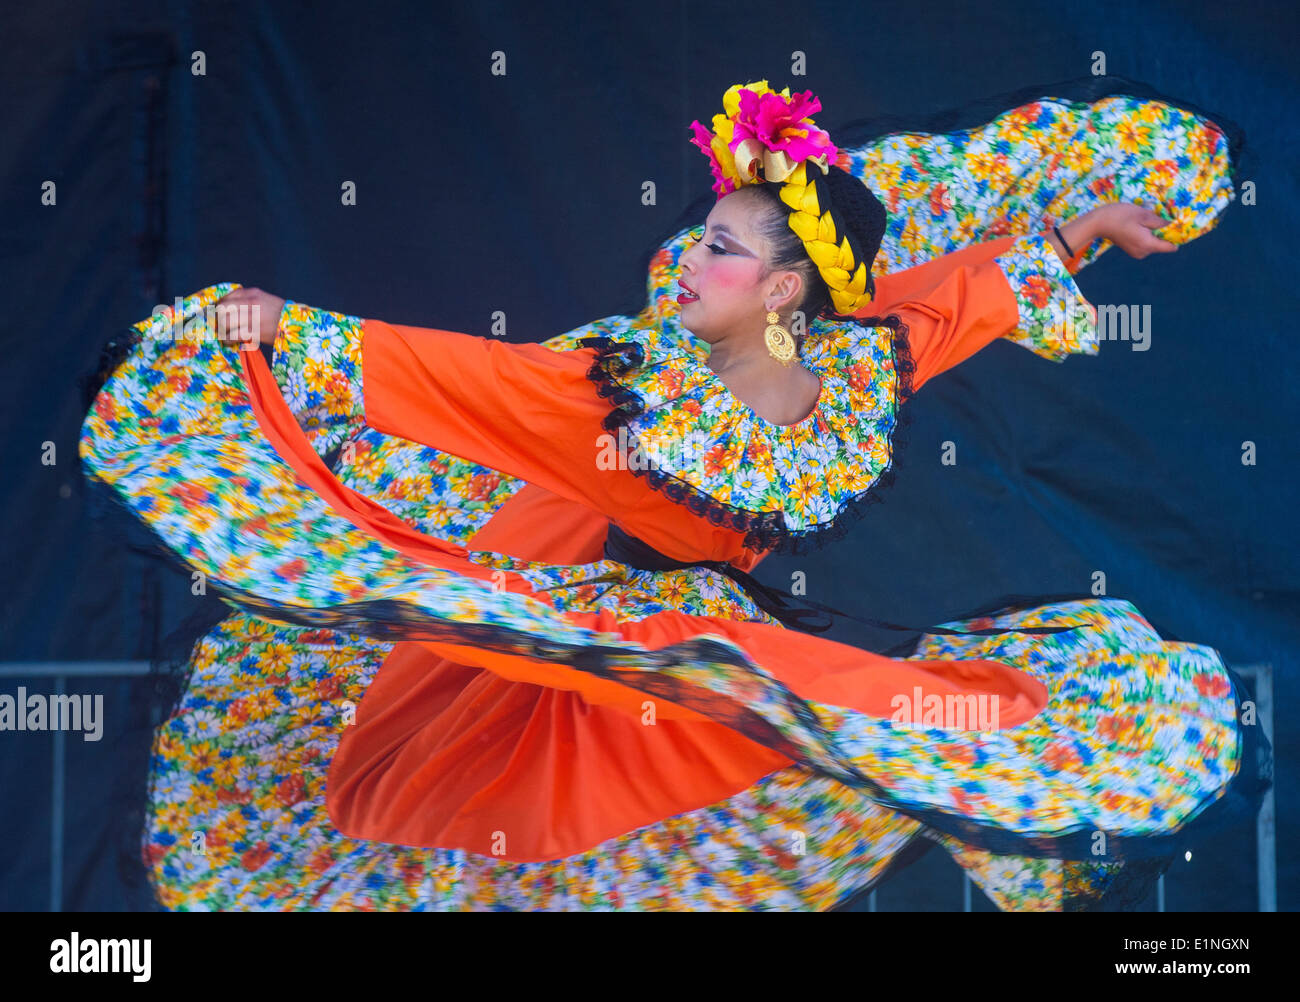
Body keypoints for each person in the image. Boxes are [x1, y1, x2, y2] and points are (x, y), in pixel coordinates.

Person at [81, 77, 1268, 911]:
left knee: (912, 723)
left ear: (792, 290)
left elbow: (963, 296)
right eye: (698, 239)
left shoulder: (859, 367)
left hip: (699, 633)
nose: (688, 263)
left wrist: (1082, 227)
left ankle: (1044, 814)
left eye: (723, 249)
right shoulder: (628, 394)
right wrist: (289, 328)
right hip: (574, 602)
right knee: (447, 804)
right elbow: (467, 380)